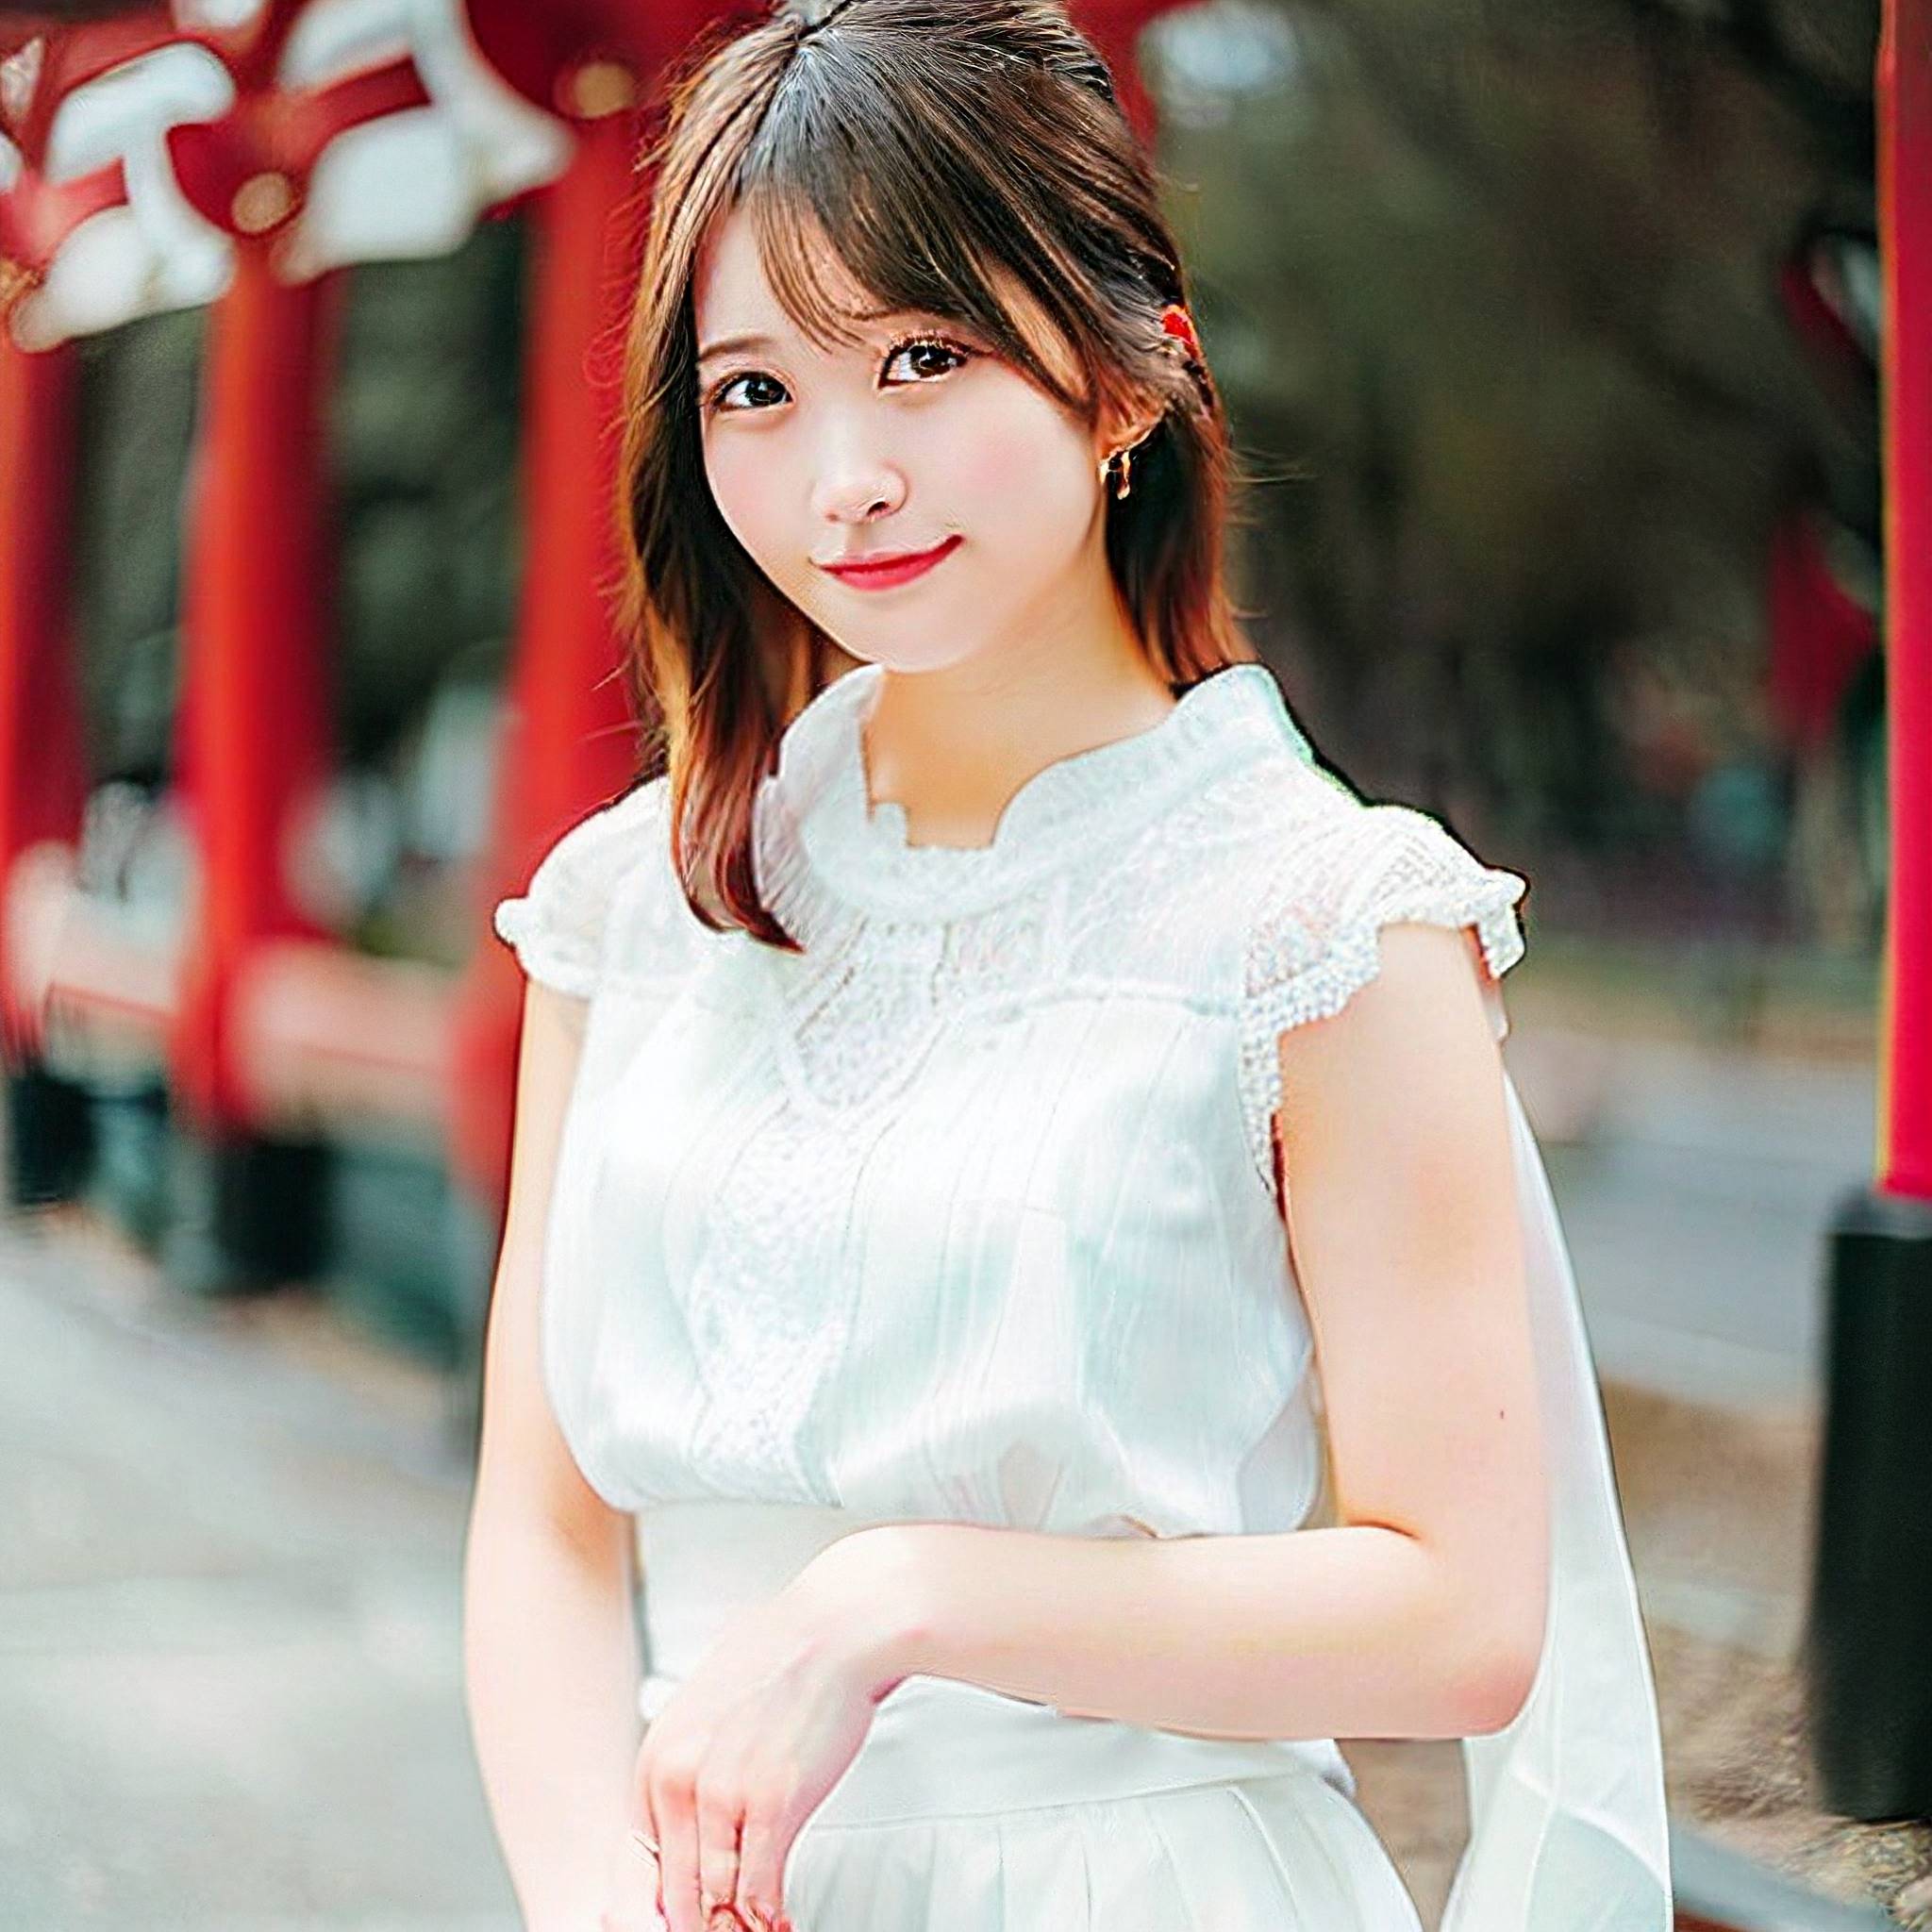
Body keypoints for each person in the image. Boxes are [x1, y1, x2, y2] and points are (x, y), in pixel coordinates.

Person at [461, 1, 1674, 1927]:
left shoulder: (1325, 923)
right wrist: (587, 1897)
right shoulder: (636, 902)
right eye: (754, 392)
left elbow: (1458, 1609)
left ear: (1130, 384)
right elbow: (537, 1521)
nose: (841, 474)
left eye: (921, 357)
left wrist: (894, 1601)